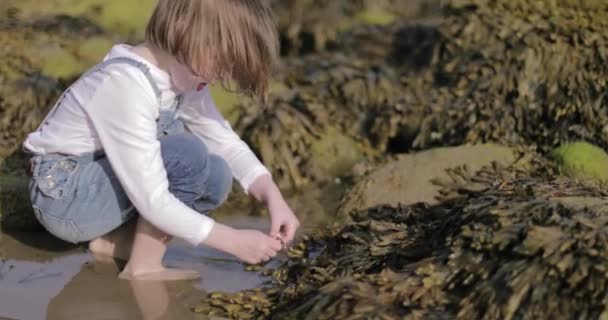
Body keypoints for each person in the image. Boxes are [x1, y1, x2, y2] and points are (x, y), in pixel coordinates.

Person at [23, 0, 300, 281]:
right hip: (65, 196)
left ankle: (115, 243)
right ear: (187, 35)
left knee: (217, 174)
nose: (222, 75)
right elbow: (152, 199)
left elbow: (224, 141)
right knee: (187, 154)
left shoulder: (185, 71)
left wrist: (272, 196)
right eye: (222, 62)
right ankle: (143, 267)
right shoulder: (125, 84)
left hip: (103, 181)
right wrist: (233, 241)